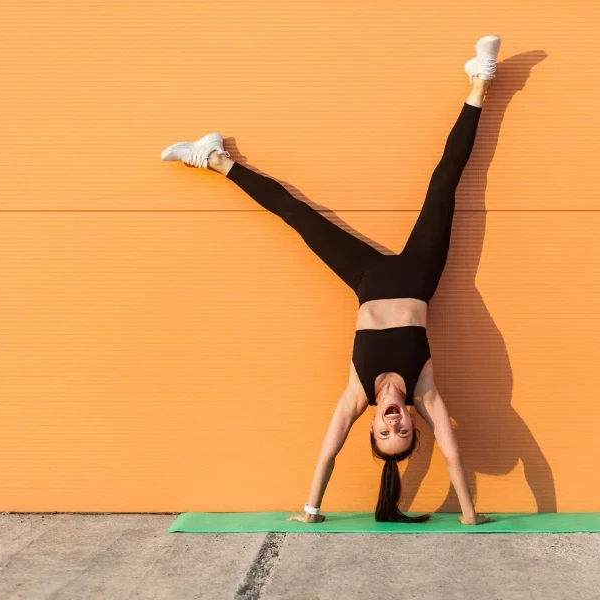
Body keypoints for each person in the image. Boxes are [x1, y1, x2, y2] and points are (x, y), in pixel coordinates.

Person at [162, 35, 502, 524]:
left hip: (366, 279)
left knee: (297, 216)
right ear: (413, 424)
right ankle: (480, 81)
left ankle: (215, 159)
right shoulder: (424, 391)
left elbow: (327, 454)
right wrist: (469, 513)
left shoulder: (356, 393)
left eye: (384, 435)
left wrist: (311, 510)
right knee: (445, 180)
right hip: (418, 275)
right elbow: (451, 454)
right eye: (403, 433)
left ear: (370, 428)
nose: (394, 425)